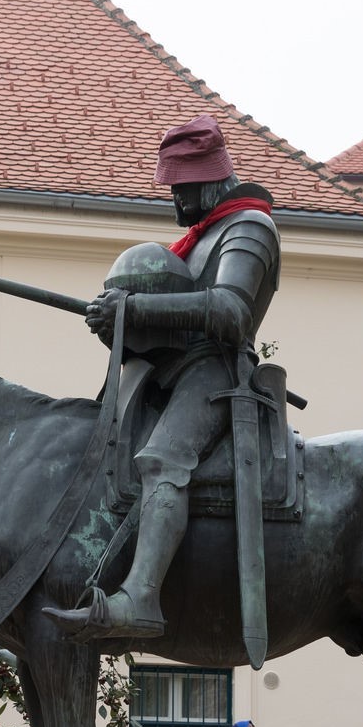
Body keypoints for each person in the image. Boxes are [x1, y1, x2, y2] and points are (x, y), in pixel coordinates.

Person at [48, 116, 281, 641]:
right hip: (164, 372)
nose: (174, 200)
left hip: (214, 373)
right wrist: (120, 318)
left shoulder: (249, 227)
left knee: (163, 460)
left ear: (211, 177)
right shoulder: (199, 238)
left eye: (181, 187)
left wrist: (140, 309)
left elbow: (231, 311)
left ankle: (143, 599)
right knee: (95, 454)